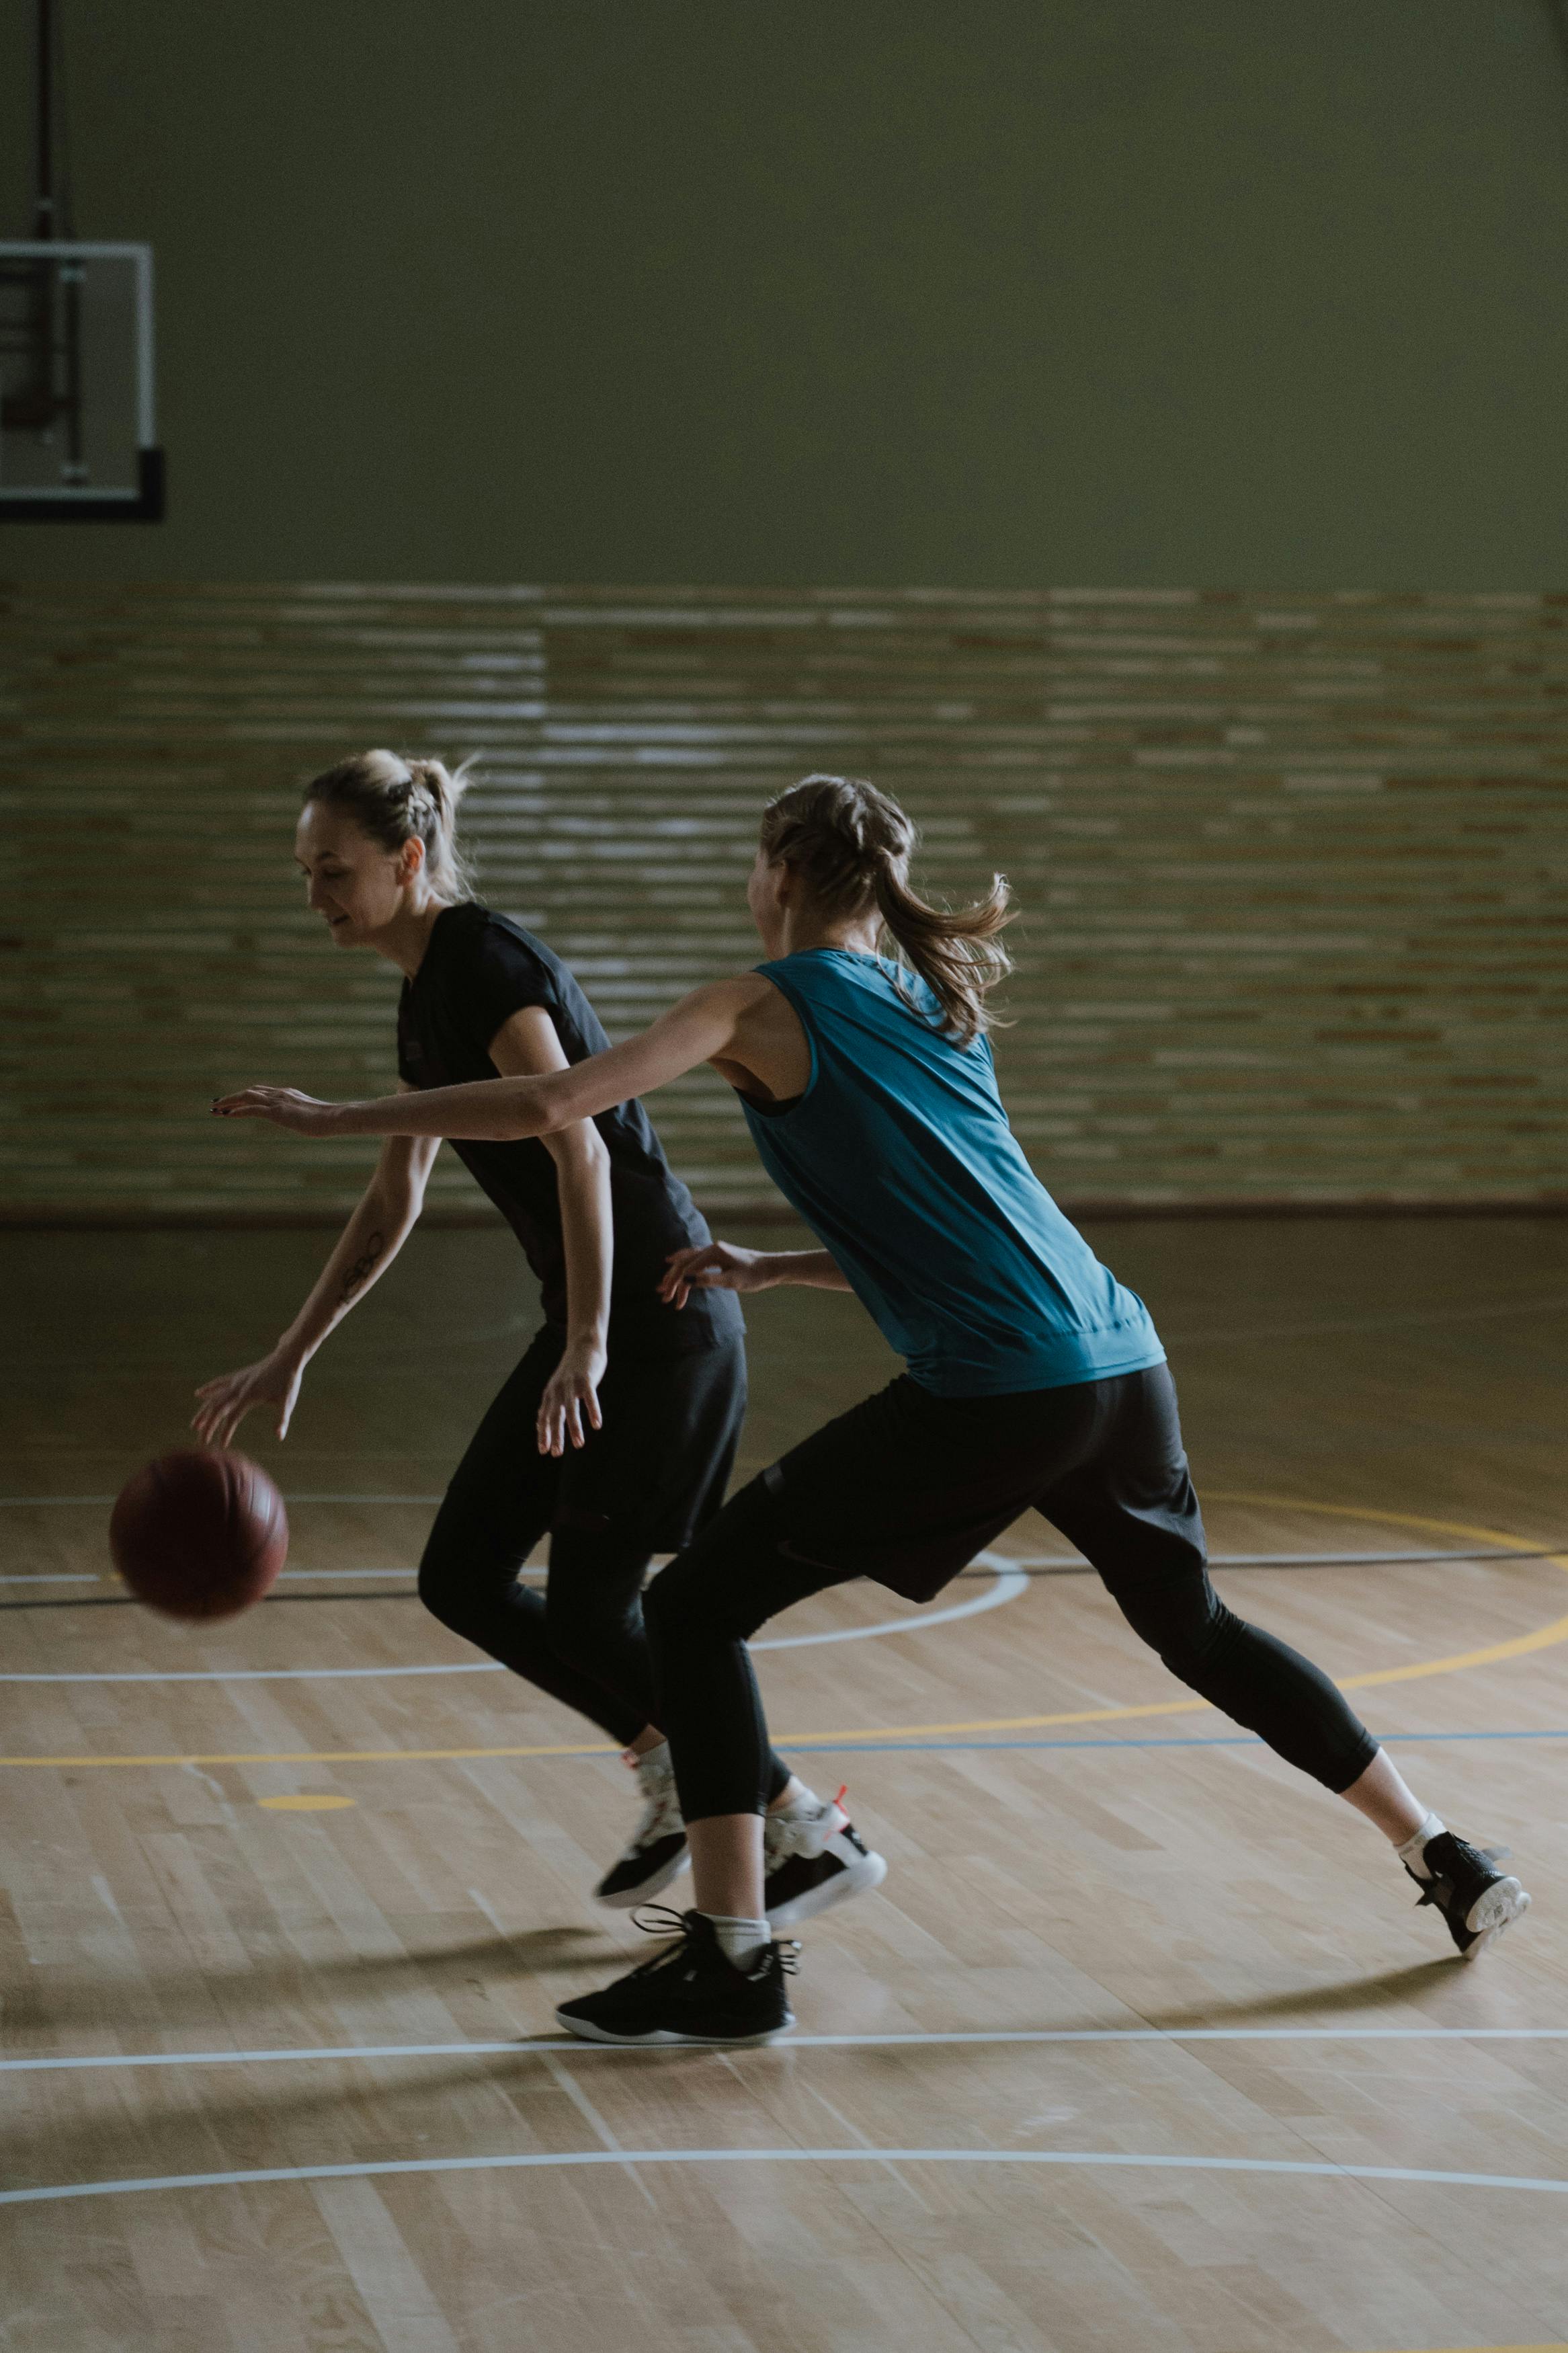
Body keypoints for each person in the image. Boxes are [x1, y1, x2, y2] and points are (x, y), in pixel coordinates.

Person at [214, 770, 1532, 2047]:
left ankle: (733, 1957)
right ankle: (1441, 1848)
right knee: (1196, 1626)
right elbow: (973, 1222)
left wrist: (337, 1116)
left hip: (999, 1392)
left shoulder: (753, 1000)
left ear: (779, 875)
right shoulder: (924, 995)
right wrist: (776, 1264)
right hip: (1122, 1362)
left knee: (687, 1607)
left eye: (751, 864)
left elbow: (560, 1101)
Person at [198, 750, 884, 1923]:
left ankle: (804, 1828)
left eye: (334, 870)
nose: (315, 892)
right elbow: (395, 1197)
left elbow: (569, 1139)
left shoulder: (486, 962)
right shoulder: (423, 991)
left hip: (659, 1315)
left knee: (592, 1610)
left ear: (407, 862)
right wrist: (295, 1349)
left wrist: (586, 1337)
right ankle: (678, 1764)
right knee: (461, 1576)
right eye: (304, 870)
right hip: (599, 1318)